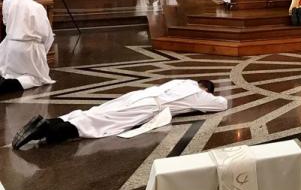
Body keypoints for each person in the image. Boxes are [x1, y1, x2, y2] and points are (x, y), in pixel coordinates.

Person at [12, 79, 227, 149]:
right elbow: (221, 104)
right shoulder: (199, 95)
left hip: (140, 95)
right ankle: (50, 131)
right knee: (104, 122)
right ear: (206, 89)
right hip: (150, 105)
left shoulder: (182, 81)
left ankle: (52, 121)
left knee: (98, 111)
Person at [0, 0, 54, 94]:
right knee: (38, 78)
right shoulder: (36, 7)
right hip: (29, 47)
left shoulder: (13, 4)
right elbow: (45, 31)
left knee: (13, 73)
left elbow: (6, 23)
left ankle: (9, 81)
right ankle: (10, 85)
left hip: (12, 46)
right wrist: (43, 48)